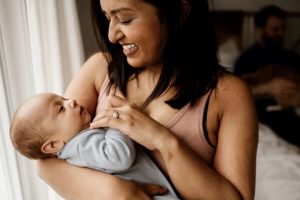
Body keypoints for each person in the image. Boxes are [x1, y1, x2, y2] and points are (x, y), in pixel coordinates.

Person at [37, 0, 258, 199]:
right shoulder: (99, 70)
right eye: (107, 18)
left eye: (126, 19)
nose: (112, 35)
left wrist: (164, 141)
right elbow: (46, 164)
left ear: (180, 13)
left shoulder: (228, 95)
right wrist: (120, 192)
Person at [10, 92, 179, 200]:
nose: (72, 101)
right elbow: (118, 157)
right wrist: (116, 122)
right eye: (61, 108)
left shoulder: (82, 138)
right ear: (54, 144)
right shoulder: (79, 146)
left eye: (64, 98)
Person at [234, 5, 300, 146]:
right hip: (263, 119)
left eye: (282, 29)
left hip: (291, 114)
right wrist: (268, 88)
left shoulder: (291, 57)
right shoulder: (247, 59)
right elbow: (234, 95)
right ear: (260, 29)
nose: (280, 33)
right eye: (275, 30)